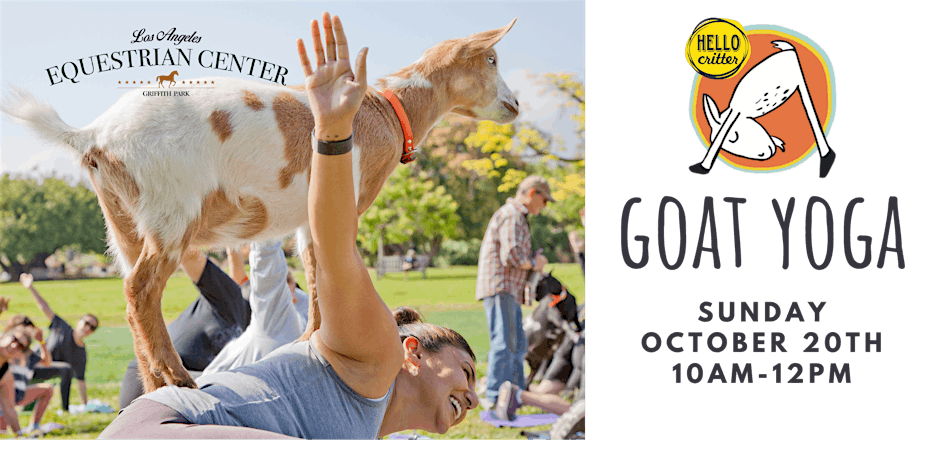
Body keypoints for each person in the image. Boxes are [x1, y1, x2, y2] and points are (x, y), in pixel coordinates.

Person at [99, 13, 479, 439]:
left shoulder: (374, 422)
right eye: (465, 370)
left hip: (158, 422)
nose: (474, 398)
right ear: (412, 352)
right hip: (170, 427)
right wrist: (334, 134)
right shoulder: (376, 352)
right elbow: (334, 243)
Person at [118, 246, 253, 409]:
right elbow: (189, 256)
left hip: (186, 382)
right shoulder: (230, 296)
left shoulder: (254, 331)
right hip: (153, 370)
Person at [475, 175, 553, 406]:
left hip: (509, 289)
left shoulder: (516, 215)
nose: (545, 205)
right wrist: (535, 262)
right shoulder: (512, 215)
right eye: (545, 200)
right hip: (501, 287)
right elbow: (511, 255)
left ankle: (516, 395)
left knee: (517, 344)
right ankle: (495, 396)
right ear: (532, 193)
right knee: (504, 343)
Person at [199, 238, 309, 375]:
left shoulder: (305, 300)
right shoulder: (263, 302)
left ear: (294, 283)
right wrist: (232, 246)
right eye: (282, 282)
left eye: (289, 280)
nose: (285, 286)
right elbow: (244, 277)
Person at [20, 273, 98, 410]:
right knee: (25, 406)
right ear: (79, 321)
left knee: (65, 370)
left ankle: (65, 409)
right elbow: (45, 308)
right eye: (86, 323)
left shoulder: (80, 353)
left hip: (45, 370)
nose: (87, 328)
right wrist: (30, 287)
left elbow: (81, 380)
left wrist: (85, 406)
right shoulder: (62, 327)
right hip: (30, 363)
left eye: (92, 328)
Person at [0, 327, 53, 437]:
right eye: (14, 339)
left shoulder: (7, 374)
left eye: (20, 346)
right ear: (4, 336)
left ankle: (34, 425)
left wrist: (20, 436)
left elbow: (9, 408)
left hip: (19, 394)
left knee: (48, 388)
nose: (14, 346)